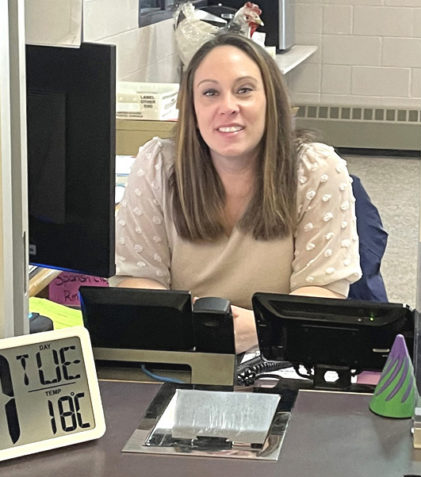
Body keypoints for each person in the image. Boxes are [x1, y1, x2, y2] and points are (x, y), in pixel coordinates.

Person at [114, 32, 361, 353]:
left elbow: (323, 290)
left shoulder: (316, 168)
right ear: (191, 108)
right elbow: (138, 277)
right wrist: (193, 324)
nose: (228, 107)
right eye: (210, 92)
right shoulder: (157, 166)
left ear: (270, 99)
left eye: (244, 90)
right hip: (184, 344)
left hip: (283, 345)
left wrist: (264, 328)